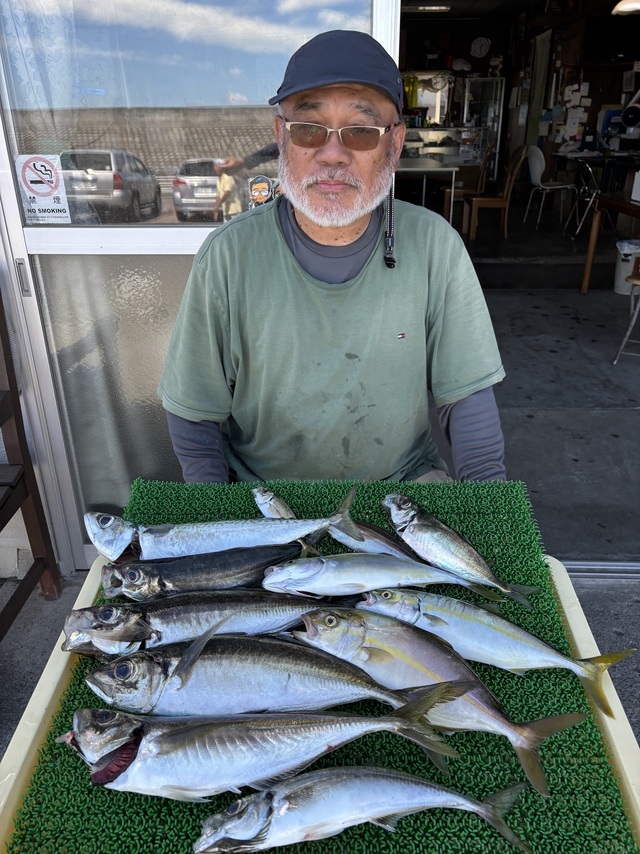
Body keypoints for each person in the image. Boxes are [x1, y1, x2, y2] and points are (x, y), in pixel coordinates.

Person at [158, 30, 506, 485]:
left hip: (400, 496)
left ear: (395, 144)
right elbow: (194, 411)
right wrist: (217, 519)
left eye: (361, 131)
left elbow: (468, 401)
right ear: (282, 137)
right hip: (265, 497)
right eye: (309, 128)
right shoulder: (229, 256)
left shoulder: (435, 246)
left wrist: (490, 510)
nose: (333, 154)